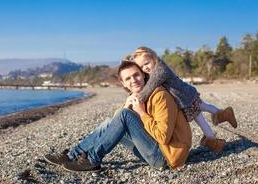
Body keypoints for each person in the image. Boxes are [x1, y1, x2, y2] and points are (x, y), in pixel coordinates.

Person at [44, 61, 192, 172]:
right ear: (124, 83)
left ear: (144, 75)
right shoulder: (140, 97)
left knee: (124, 115)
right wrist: (126, 106)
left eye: (136, 75)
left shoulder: (160, 96)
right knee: (111, 121)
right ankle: (71, 155)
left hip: (167, 157)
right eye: (128, 79)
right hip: (154, 150)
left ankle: (92, 160)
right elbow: (116, 124)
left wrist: (140, 113)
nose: (133, 80)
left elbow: (163, 137)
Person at [129, 46, 237, 153]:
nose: (145, 68)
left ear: (154, 58)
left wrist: (136, 100)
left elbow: (149, 87)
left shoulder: (160, 70)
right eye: (141, 67)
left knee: (201, 119)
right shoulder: (155, 69)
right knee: (204, 109)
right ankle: (222, 117)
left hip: (187, 97)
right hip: (187, 95)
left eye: (146, 63)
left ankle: (215, 139)